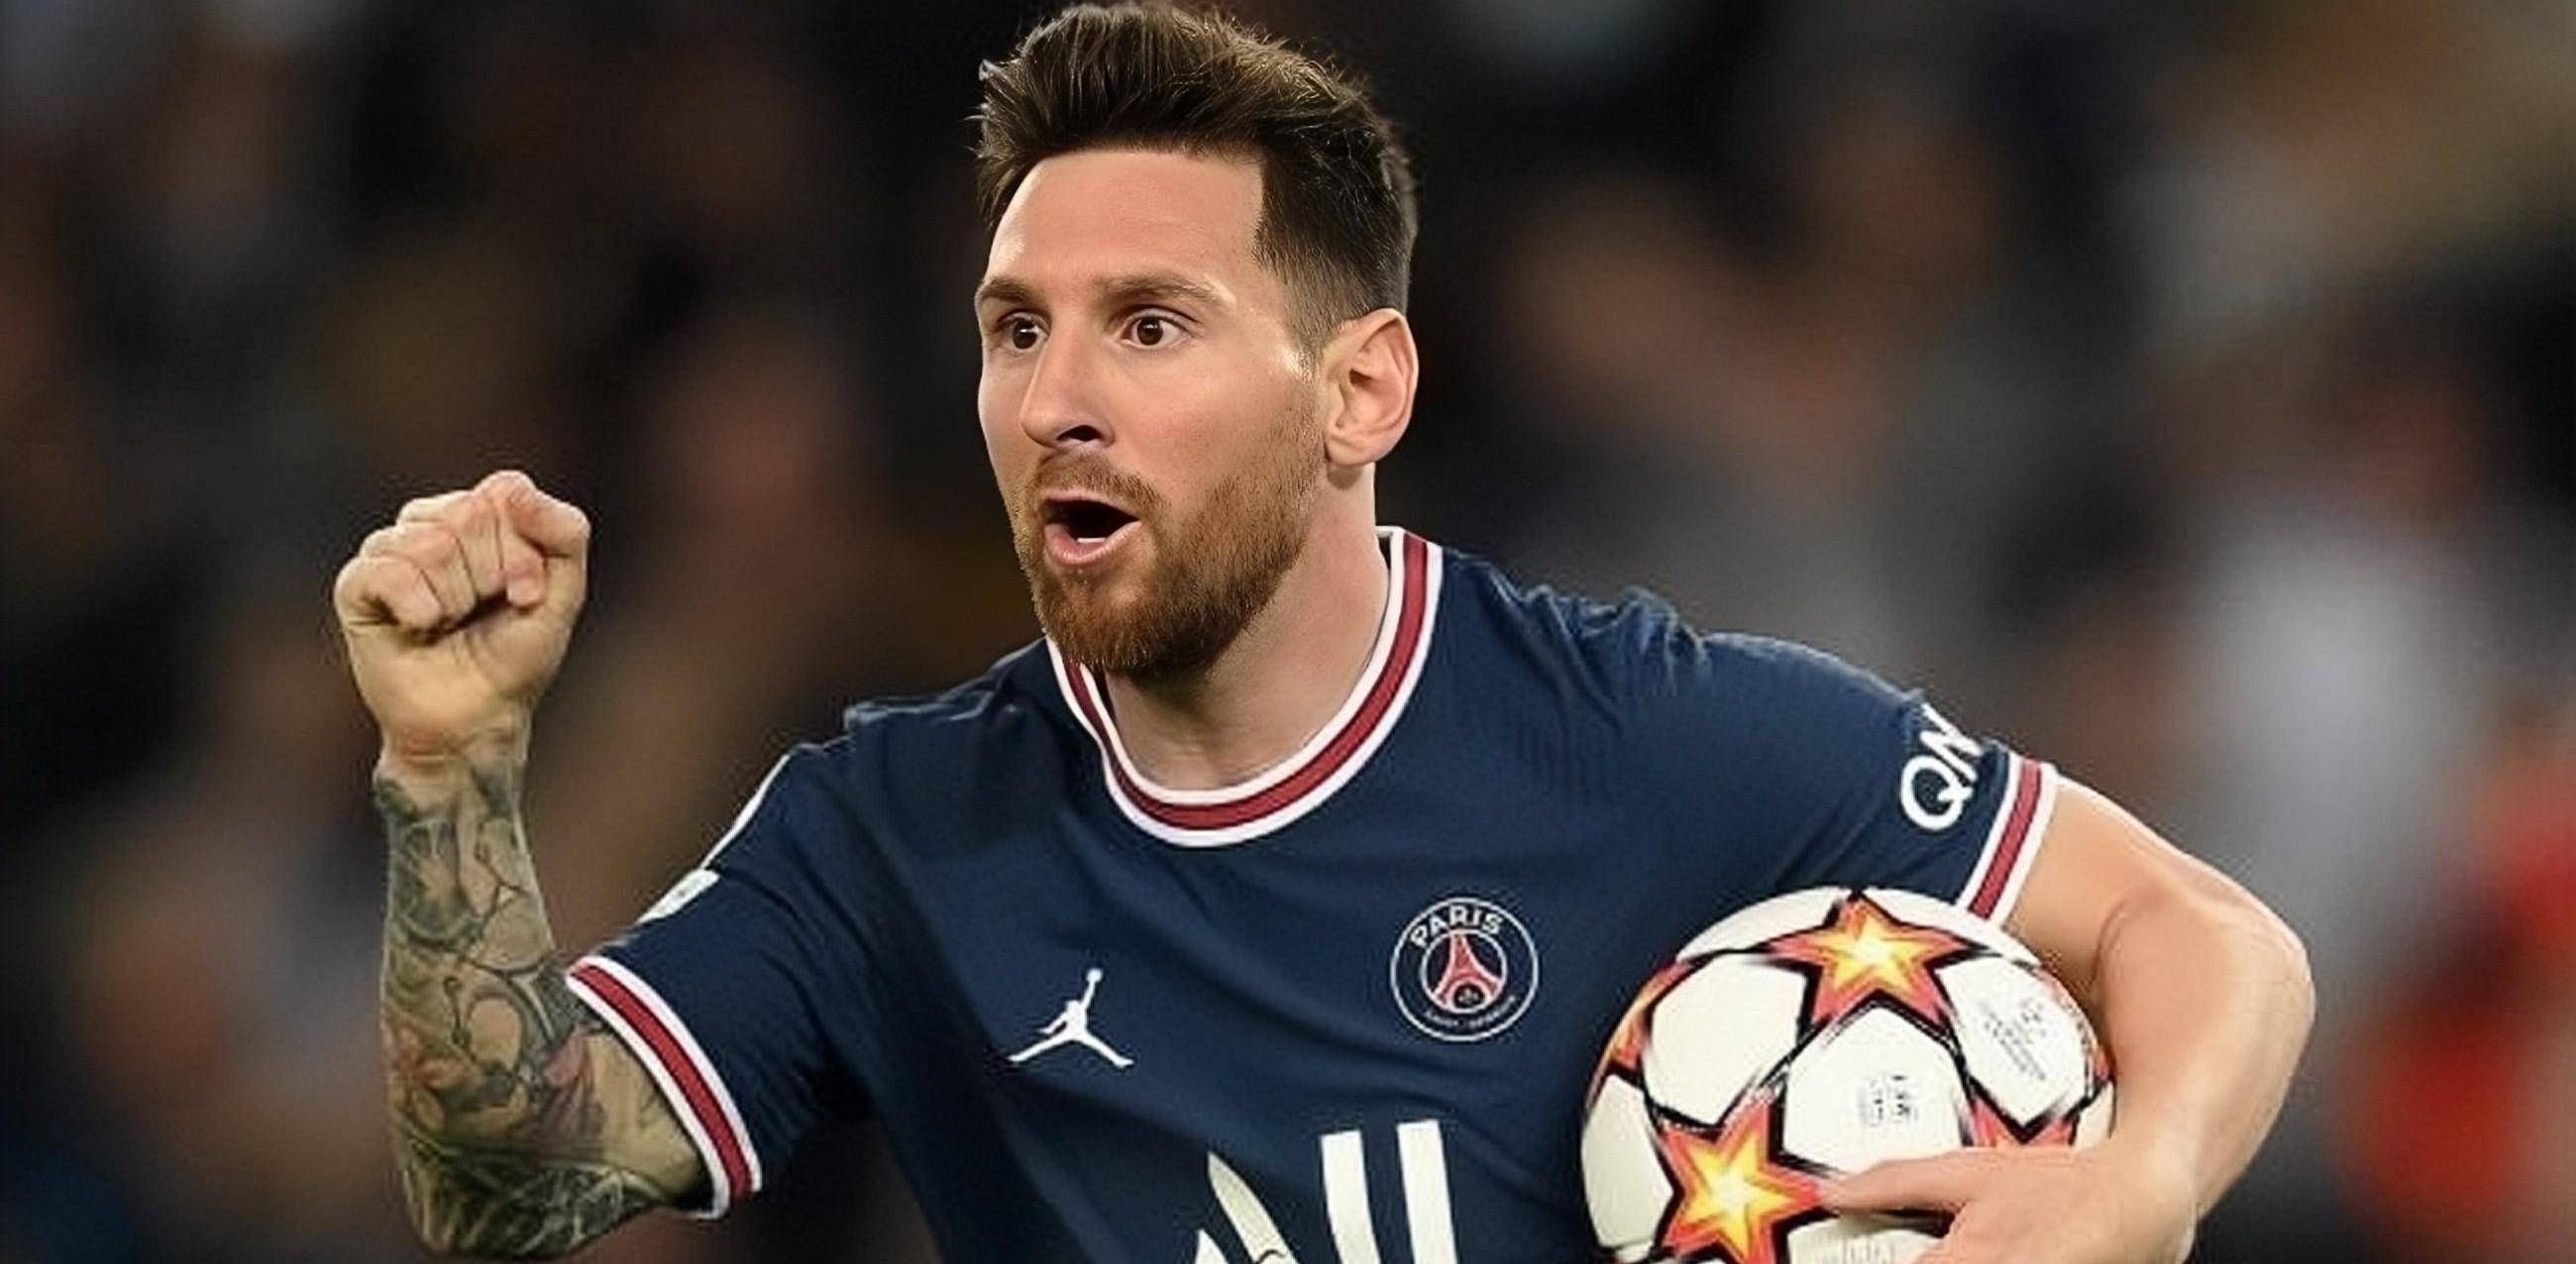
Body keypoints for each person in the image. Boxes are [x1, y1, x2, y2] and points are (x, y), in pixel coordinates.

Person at [332, 5, 2313, 1260]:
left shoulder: (1643, 736)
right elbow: (505, 1181)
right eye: (1016, 331)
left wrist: (2132, 1184)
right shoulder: (888, 837)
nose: (1056, 398)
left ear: (1361, 390)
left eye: (1149, 325)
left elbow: (2207, 933)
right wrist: (448, 770)